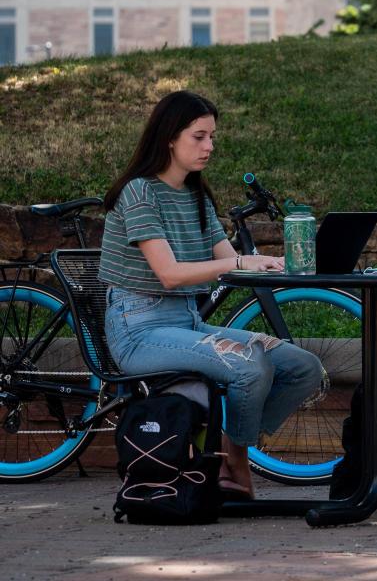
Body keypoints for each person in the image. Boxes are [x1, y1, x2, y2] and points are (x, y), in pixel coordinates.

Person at [99, 90, 323, 500]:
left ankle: (229, 450)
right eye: (199, 137)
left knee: (303, 366)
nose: (209, 147)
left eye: (212, 137)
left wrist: (272, 264)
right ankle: (231, 464)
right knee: (249, 364)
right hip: (138, 331)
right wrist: (237, 264)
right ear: (170, 137)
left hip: (185, 323)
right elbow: (168, 274)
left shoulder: (197, 196)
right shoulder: (139, 193)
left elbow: (230, 260)